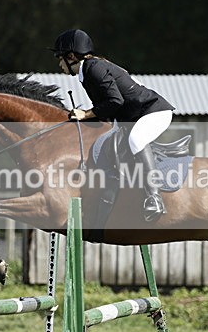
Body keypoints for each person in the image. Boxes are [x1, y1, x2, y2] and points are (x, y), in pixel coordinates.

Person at [50, 29, 175, 221]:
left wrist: (86, 113)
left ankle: (154, 198)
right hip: (132, 117)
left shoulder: (93, 68)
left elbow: (115, 101)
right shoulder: (88, 70)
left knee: (136, 140)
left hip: (153, 112)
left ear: (72, 56)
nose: (59, 64)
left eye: (60, 58)